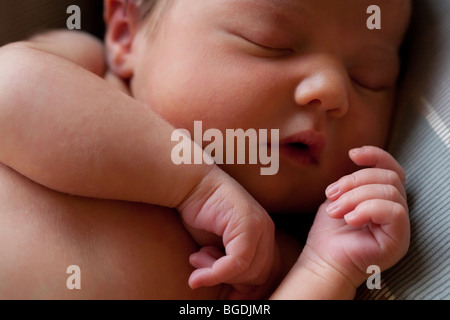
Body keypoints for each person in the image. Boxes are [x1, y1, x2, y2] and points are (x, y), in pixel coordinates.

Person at [0, 0, 411, 299]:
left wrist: (328, 269)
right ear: (127, 34)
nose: (332, 90)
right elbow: (8, 89)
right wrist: (195, 185)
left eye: (369, 79)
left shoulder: (269, 264)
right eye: (272, 42)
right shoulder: (85, 69)